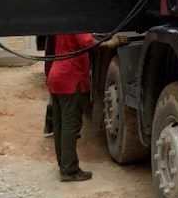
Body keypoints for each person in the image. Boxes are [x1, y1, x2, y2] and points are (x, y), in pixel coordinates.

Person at [45, 31, 128, 182]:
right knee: (71, 124)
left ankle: (63, 164)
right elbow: (87, 43)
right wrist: (112, 43)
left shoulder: (61, 21)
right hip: (70, 76)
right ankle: (69, 170)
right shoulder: (77, 21)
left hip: (56, 74)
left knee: (60, 124)